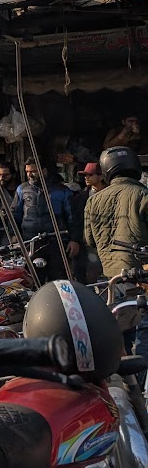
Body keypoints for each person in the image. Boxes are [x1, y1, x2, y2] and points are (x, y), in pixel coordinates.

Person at [83, 147, 148, 353]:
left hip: (109, 281)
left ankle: (125, 380)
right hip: (141, 279)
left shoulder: (94, 200)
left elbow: (89, 240)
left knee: (119, 339)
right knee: (144, 334)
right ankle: (140, 381)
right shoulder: (142, 194)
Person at [13, 157, 75, 282]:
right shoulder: (22, 189)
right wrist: (13, 234)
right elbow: (15, 214)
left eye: (33, 171)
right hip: (30, 242)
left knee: (58, 280)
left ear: (44, 171)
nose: (30, 174)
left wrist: (74, 240)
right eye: (27, 171)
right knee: (32, 280)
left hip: (56, 242)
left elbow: (72, 217)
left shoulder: (62, 191)